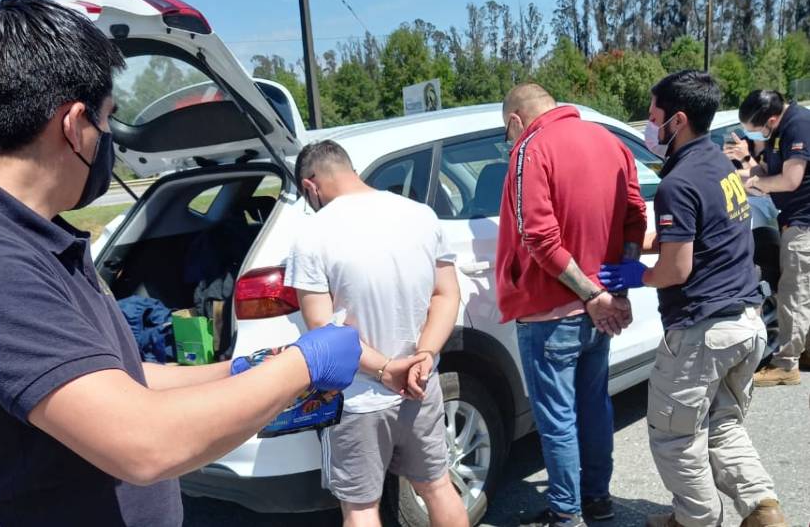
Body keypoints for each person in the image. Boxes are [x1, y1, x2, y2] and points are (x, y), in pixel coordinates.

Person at [0, 0, 362, 526]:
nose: (110, 138)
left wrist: (239, 370)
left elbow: (117, 382)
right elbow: (145, 443)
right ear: (74, 123)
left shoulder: (27, 236)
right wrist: (302, 366)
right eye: (108, 119)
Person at [600, 70, 787, 527]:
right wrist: (646, 244)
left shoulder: (676, 184)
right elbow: (709, 234)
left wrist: (638, 274)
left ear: (677, 120)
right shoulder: (719, 164)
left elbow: (676, 269)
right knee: (722, 424)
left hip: (703, 331)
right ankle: (764, 510)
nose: (648, 126)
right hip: (745, 322)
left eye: (653, 117)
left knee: (673, 437)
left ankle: (695, 520)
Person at [285, 140, 468, 527]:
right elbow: (447, 293)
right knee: (437, 487)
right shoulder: (420, 215)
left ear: (310, 187)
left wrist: (386, 369)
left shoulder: (312, 234)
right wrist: (425, 356)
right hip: (421, 385)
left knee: (361, 508)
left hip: (355, 399)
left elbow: (322, 328)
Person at [495, 83, 647, 527]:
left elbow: (539, 238)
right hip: (596, 310)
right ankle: (597, 499)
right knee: (595, 406)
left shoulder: (531, 148)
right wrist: (614, 291)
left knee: (558, 419)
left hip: (551, 313)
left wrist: (595, 295)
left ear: (515, 121)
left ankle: (566, 512)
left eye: (508, 135)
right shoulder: (612, 142)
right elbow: (635, 218)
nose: (510, 143)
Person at [737, 90, 810, 386]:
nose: (753, 135)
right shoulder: (780, 130)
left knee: (794, 292)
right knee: (802, 291)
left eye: (755, 130)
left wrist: (757, 184)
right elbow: (769, 166)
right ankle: (803, 351)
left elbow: (790, 179)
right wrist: (751, 168)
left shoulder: (797, 125)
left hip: (804, 222)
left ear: (770, 119)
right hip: (793, 220)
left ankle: (786, 364)